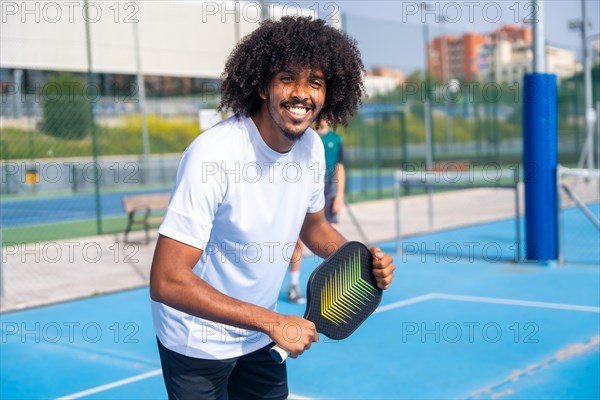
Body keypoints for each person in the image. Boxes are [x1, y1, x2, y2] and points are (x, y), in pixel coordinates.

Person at [149, 16, 395, 400]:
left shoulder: (312, 148)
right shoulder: (213, 155)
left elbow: (313, 225)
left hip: (260, 333)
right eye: (287, 78)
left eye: (315, 82)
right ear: (263, 86)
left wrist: (356, 263)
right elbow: (167, 279)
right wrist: (272, 320)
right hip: (197, 340)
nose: (302, 93)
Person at [287, 119, 346, 304]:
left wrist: (339, 196)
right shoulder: (303, 137)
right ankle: (294, 285)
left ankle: (330, 288)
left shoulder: (335, 140)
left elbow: (339, 168)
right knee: (297, 243)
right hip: (304, 190)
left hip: (328, 192)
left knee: (331, 239)